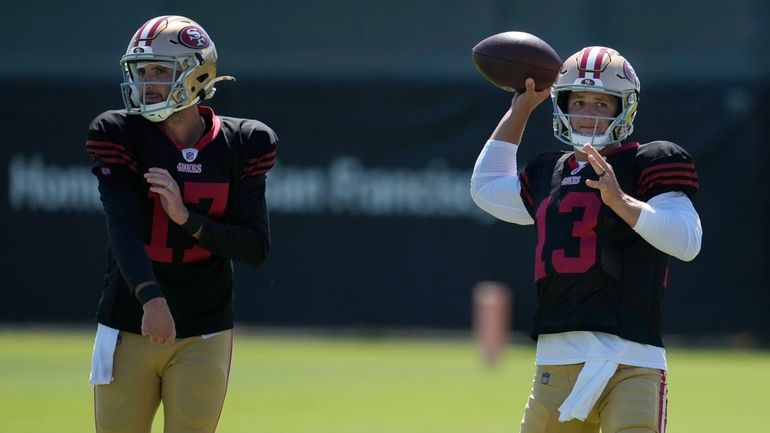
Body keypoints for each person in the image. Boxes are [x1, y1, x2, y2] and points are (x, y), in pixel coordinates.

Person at [470, 46, 702, 433]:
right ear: (561, 104)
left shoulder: (649, 160)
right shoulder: (550, 170)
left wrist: (622, 202)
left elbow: (688, 240)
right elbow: (486, 188)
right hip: (556, 364)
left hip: (632, 361)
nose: (587, 113)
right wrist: (521, 109)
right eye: (578, 100)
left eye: (600, 103)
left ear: (623, 109)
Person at [86, 15, 277, 433]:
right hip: (129, 321)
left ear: (196, 73)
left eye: (159, 69)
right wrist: (152, 300)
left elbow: (254, 248)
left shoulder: (244, 144)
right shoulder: (119, 133)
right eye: (140, 71)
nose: (146, 82)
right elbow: (121, 228)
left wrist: (186, 219)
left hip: (202, 329)